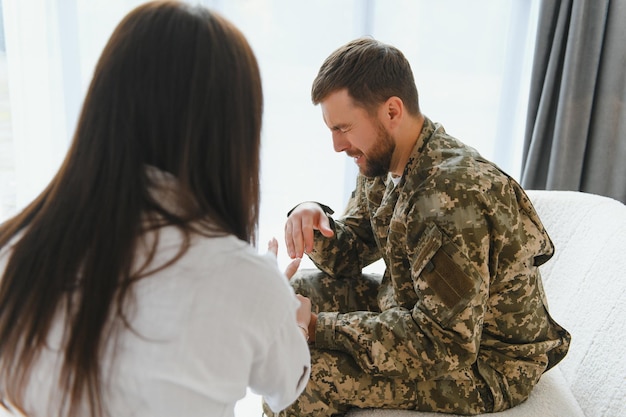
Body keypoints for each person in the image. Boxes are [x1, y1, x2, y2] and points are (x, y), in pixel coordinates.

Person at [0, 2, 310, 417]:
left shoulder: (16, 249)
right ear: (231, 137)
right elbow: (285, 385)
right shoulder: (246, 281)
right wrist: (289, 316)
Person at [271, 37, 571, 416]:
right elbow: (354, 250)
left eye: (343, 127)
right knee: (293, 294)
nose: (336, 145)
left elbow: (444, 345)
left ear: (392, 111)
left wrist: (318, 329)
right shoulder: (383, 162)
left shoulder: (449, 199)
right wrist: (312, 220)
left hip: (486, 363)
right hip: (413, 311)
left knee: (301, 378)